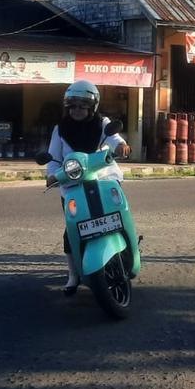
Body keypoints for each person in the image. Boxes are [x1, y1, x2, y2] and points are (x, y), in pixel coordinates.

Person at [45, 80, 129, 295]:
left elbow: (114, 139)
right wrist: (51, 176)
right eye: (73, 106)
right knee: (71, 228)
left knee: (118, 214)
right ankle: (73, 274)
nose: (77, 110)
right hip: (72, 184)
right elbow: (53, 158)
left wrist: (121, 146)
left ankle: (128, 248)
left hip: (103, 179)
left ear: (92, 107)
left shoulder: (102, 124)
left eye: (83, 106)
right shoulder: (60, 129)